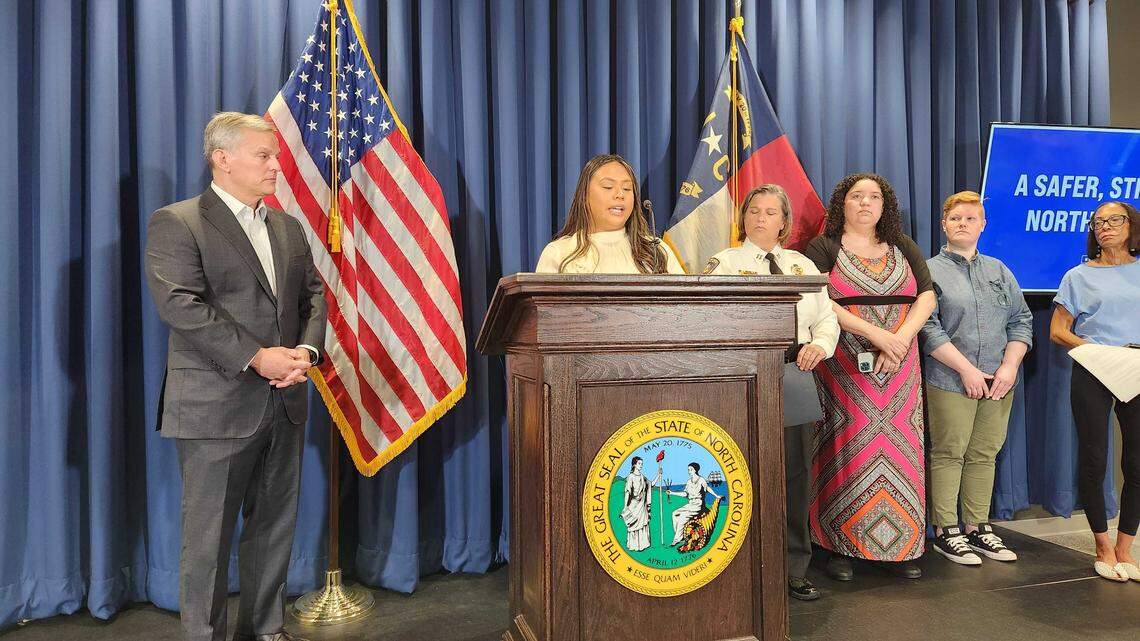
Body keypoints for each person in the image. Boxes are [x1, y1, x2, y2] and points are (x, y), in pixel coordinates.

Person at [144, 112, 327, 641]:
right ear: (221, 159)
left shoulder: (287, 226)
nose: (276, 165)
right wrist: (258, 357)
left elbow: (312, 297)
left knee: (274, 528)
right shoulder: (177, 222)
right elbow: (181, 307)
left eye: (274, 155)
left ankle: (266, 629)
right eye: (263, 156)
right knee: (208, 538)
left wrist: (306, 354)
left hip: (285, 401)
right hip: (214, 405)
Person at [704, 184, 838, 600]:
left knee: (794, 476)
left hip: (794, 373)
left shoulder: (801, 266)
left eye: (771, 212)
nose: (762, 219)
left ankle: (794, 566)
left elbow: (827, 319)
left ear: (784, 221)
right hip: (741, 377)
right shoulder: (724, 264)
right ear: (743, 218)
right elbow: (708, 318)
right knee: (737, 471)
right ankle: (737, 566)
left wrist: (821, 345)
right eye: (755, 211)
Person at [803, 172, 936, 581]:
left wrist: (899, 339)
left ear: (884, 206)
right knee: (850, 444)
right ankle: (840, 546)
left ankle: (902, 548)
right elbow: (818, 299)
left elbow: (927, 296)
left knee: (902, 445)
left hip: (901, 363)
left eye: (874, 196)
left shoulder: (904, 246)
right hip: (845, 360)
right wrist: (876, 334)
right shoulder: (822, 246)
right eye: (857, 196)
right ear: (842, 203)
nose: (865, 203)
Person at [920, 191, 1032, 565]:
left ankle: (978, 527)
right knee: (950, 453)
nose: (963, 224)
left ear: (983, 225)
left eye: (971, 218)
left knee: (985, 454)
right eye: (955, 218)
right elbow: (928, 329)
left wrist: (1009, 367)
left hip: (999, 381)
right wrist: (966, 370)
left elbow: (1021, 321)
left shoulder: (999, 271)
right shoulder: (930, 270)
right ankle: (946, 530)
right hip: (950, 379)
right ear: (944, 225)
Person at [1050, 200, 1140, 583]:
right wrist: (1097, 351)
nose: (1105, 226)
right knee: (1094, 456)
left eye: (1114, 219)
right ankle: (1102, 546)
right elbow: (1058, 331)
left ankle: (1125, 548)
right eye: (1098, 222)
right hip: (1094, 368)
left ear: (1132, 225)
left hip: (1137, 369)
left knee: (1136, 462)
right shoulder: (1078, 276)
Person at [535, 154, 685, 274]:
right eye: (608, 187)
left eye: (627, 188)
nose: (620, 194)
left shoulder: (656, 251)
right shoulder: (559, 253)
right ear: (584, 197)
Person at [668, 463, 723, 546]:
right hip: (690, 504)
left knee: (683, 517)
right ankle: (681, 536)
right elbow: (685, 494)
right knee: (674, 513)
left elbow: (707, 488)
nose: (689, 471)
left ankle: (676, 539)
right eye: (688, 470)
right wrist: (672, 493)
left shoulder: (701, 480)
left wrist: (716, 495)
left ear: (695, 470)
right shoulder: (689, 482)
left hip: (698, 505)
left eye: (691, 469)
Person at [621, 456, 662, 551]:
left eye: (642, 464)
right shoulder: (630, 477)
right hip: (633, 505)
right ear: (634, 464)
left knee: (643, 524)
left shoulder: (643, 477)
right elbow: (628, 492)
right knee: (634, 525)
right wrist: (625, 507)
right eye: (639, 463)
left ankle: (643, 544)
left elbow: (651, 484)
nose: (641, 465)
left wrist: (658, 475)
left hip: (642, 506)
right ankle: (634, 545)